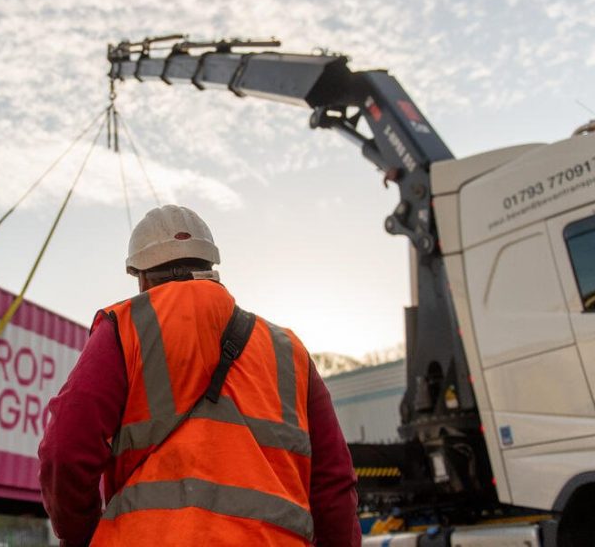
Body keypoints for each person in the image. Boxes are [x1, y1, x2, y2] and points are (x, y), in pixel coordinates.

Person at [38, 205, 360, 546]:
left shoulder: (125, 327)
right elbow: (333, 486)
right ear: (211, 267)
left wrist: (82, 536)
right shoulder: (290, 352)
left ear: (141, 276)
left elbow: (66, 450)